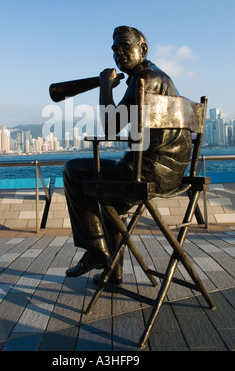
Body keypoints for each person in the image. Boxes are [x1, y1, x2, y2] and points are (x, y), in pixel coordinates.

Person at [63, 26, 192, 284]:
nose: (118, 52)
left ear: (142, 49)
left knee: (72, 169)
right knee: (110, 203)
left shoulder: (145, 78)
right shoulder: (161, 78)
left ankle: (97, 251)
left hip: (146, 174)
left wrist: (105, 86)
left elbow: (111, 127)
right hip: (172, 176)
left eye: (124, 46)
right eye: (114, 49)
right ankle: (113, 273)